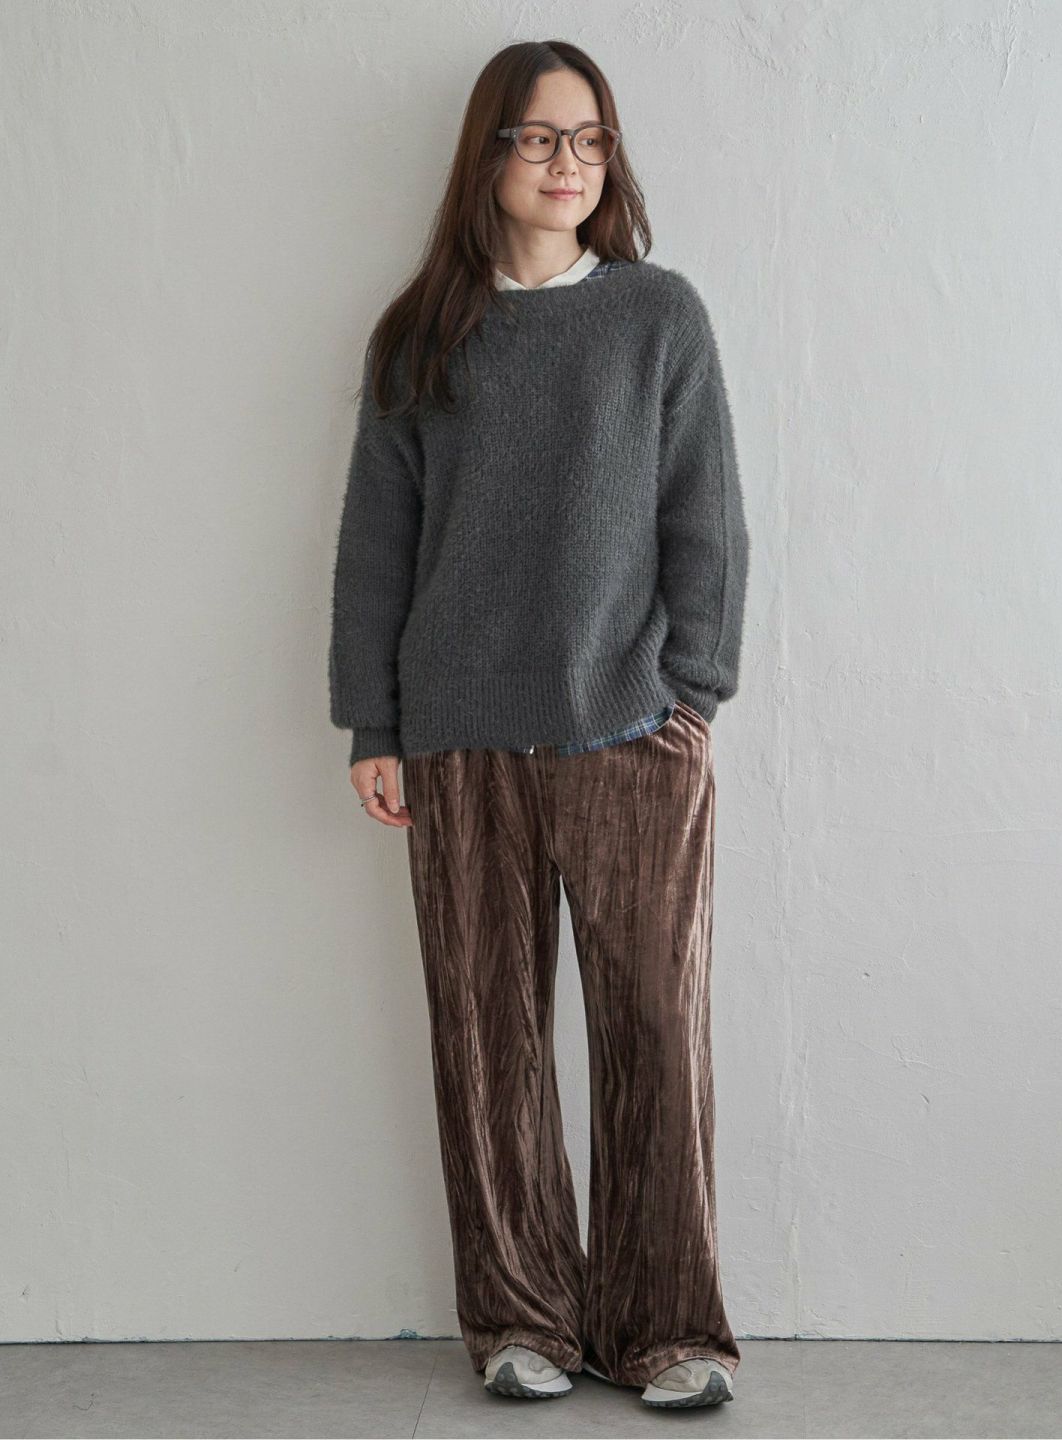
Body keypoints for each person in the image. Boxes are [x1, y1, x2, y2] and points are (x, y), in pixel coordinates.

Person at [327, 38, 750, 1411]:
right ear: (489, 154)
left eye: (591, 139)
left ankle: (668, 1328)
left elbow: (706, 517)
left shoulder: (658, 318)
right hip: (458, 738)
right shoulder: (420, 335)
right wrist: (373, 723)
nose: (570, 164)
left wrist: (691, 695)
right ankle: (521, 1319)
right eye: (540, 137)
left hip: (633, 731)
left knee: (655, 1035)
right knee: (486, 1037)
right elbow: (376, 547)